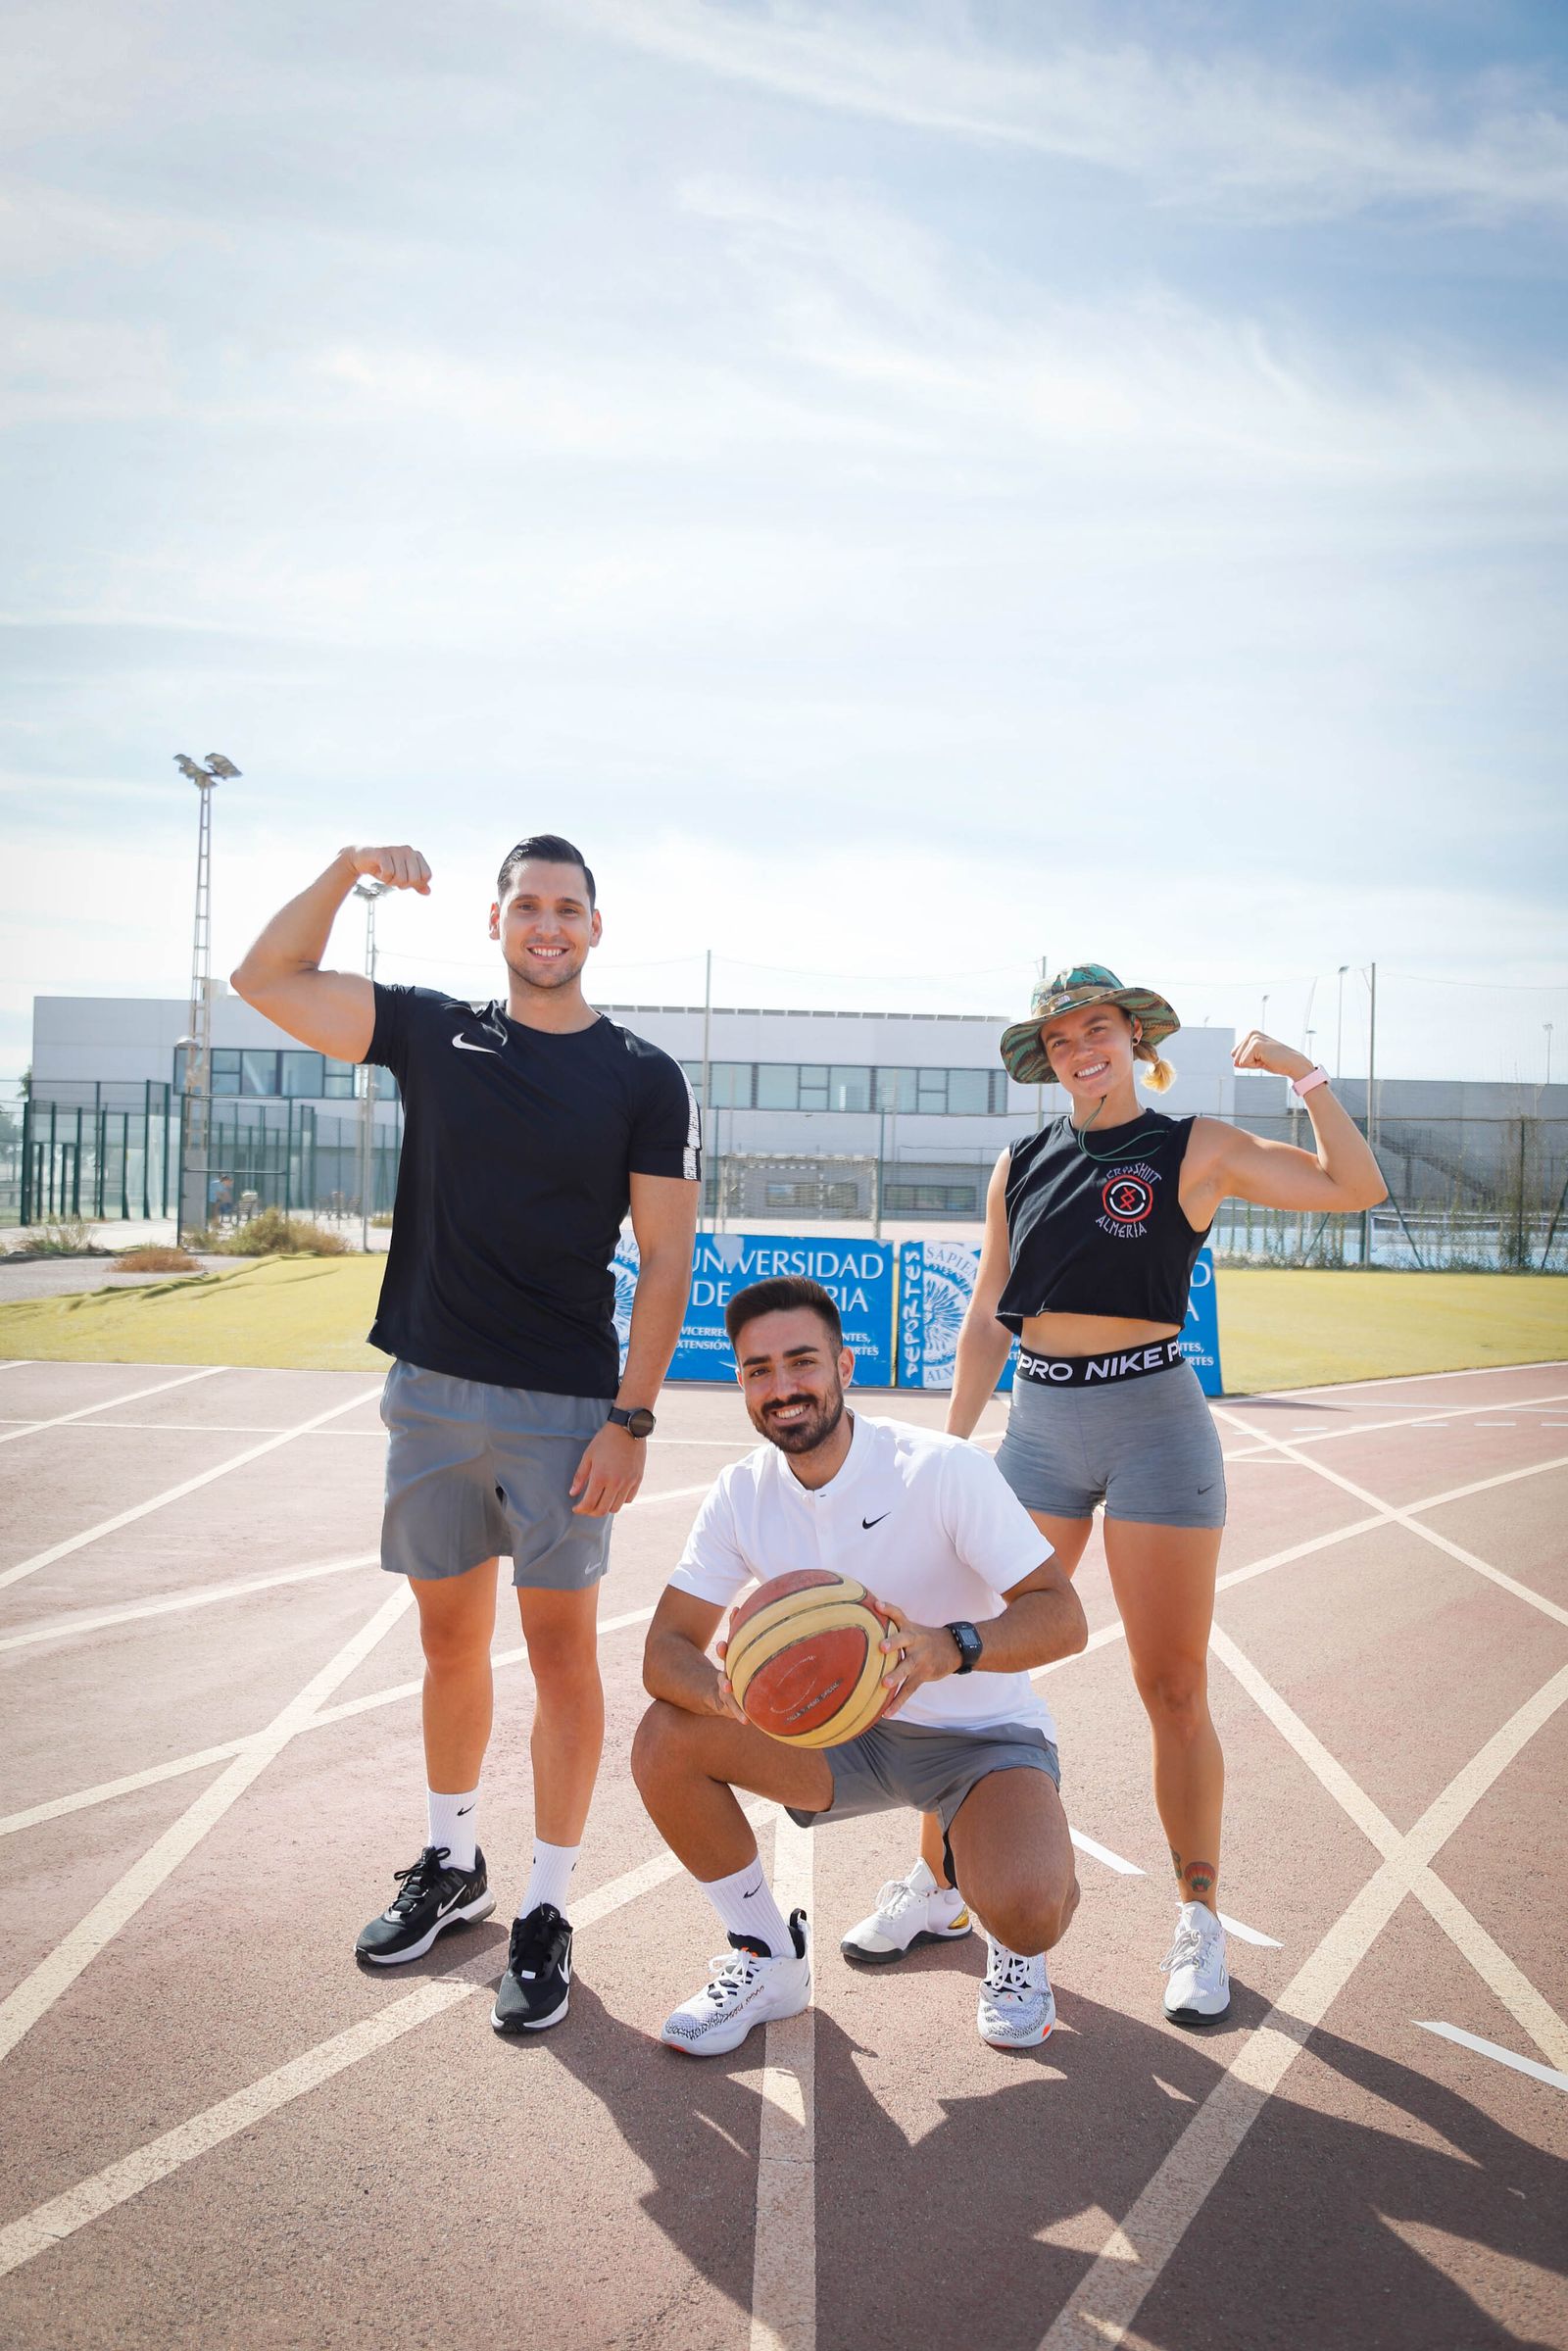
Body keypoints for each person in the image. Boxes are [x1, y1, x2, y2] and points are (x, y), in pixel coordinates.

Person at [231, 834, 700, 2034]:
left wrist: (632, 1418)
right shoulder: (435, 1032)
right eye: (528, 905)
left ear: (597, 927)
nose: (548, 924)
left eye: (568, 908)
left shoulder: (645, 1075)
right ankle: (453, 1862)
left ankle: (546, 1906)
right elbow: (263, 976)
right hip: (432, 1392)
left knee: (558, 1660)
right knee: (448, 1645)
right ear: (495, 920)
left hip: (563, 1411)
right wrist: (344, 869)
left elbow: (664, 1261)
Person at [863, 964, 1385, 2029]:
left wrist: (1303, 1073)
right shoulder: (1021, 1161)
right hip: (1040, 1426)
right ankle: (942, 1885)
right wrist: (948, 1451)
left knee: (1172, 1685)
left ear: (1134, 1038)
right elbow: (983, 1316)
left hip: (1155, 1422)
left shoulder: (1193, 1144)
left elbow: (1354, 1186)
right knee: (960, 1658)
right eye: (1059, 1040)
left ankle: (1198, 1915)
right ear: (1045, 1058)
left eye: (1096, 1029)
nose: (1079, 1050)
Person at [632, 1274, 1087, 2055]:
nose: (782, 1387)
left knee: (1029, 1904)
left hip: (977, 1737)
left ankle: (1005, 1941)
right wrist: (726, 1690)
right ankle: (767, 1956)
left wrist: (953, 1646)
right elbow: (663, 1650)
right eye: (758, 1370)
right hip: (837, 1737)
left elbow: (1063, 1614)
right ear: (740, 1382)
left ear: (845, 1366)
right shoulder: (742, 1492)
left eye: (801, 1362)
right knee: (665, 1738)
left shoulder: (940, 1469)